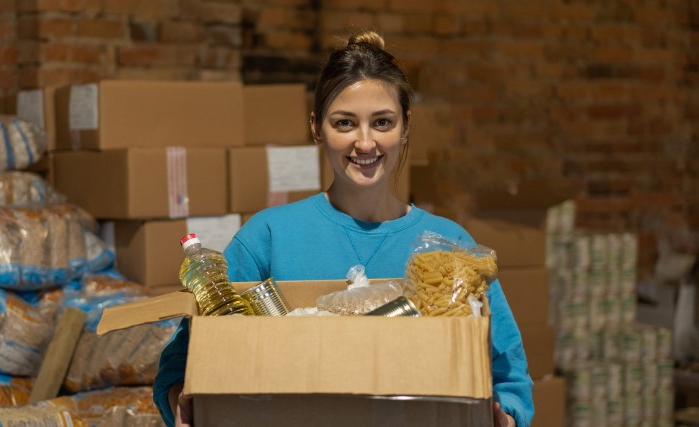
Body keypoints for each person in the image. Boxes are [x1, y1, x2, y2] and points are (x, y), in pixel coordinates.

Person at [153, 30, 535, 427]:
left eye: (382, 122)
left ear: (405, 127)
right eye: (345, 123)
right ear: (317, 127)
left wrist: (506, 416)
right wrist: (182, 400)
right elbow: (181, 364)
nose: (365, 143)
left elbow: (509, 377)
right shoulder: (269, 235)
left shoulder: (451, 249)